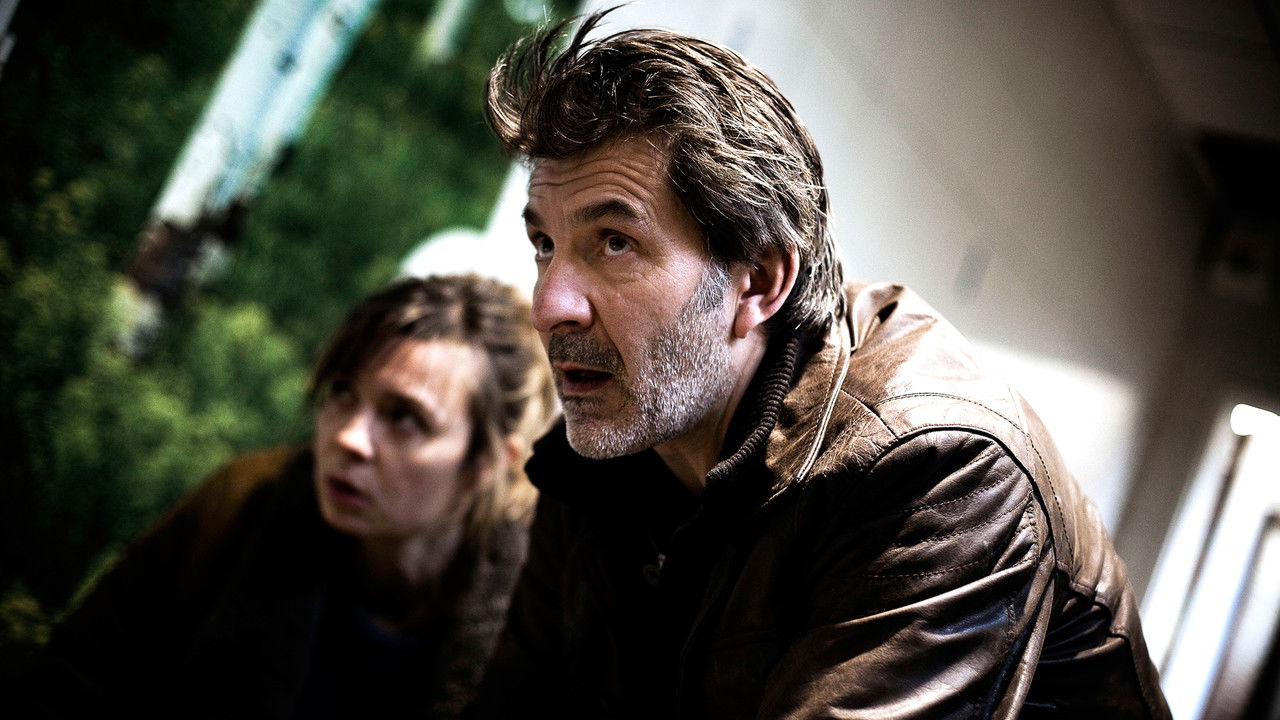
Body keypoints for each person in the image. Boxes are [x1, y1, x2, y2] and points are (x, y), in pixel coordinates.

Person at [470, 11, 1172, 719]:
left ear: (759, 282)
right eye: (544, 245)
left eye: (615, 242)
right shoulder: (604, 446)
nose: (549, 305)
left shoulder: (938, 470)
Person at [24, 274, 557, 718]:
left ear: (490, 463)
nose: (349, 437)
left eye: (404, 418)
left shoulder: (543, 627)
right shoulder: (240, 507)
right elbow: (69, 684)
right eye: (342, 393)